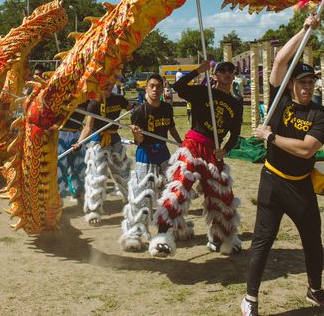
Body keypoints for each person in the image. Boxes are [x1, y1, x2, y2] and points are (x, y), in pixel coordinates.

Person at [242, 14, 324, 316]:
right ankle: (250, 299)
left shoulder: (321, 114)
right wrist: (304, 29)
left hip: (300, 186)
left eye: (311, 82)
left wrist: (270, 137)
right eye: (302, 82)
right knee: (262, 241)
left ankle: (315, 291)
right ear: (291, 86)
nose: (307, 87)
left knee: (312, 240)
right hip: (272, 182)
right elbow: (279, 61)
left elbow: (307, 149)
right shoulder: (280, 100)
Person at [150, 61, 243, 258]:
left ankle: (221, 238)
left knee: (223, 196)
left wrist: (225, 150)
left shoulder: (236, 103)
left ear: (234, 75)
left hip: (213, 151)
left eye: (230, 70)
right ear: (215, 76)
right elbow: (179, 86)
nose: (227, 73)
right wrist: (197, 71)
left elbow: (235, 134)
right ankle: (162, 237)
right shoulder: (203, 92)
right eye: (222, 70)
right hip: (193, 144)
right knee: (180, 187)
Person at [120, 74, 181, 252]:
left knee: (171, 193)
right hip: (145, 155)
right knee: (142, 198)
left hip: (163, 153)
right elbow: (139, 140)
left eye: (158, 86)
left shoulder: (167, 108)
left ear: (162, 89)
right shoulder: (139, 112)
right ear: (146, 88)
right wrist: (137, 134)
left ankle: (166, 229)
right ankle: (135, 233)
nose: (155, 89)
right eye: (151, 86)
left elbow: (171, 127)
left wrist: (180, 142)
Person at [78, 77, 132, 225]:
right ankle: (94, 209)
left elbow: (132, 110)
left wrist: (136, 110)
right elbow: (88, 127)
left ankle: (131, 201)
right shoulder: (94, 103)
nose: (109, 87)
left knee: (123, 172)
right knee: (97, 176)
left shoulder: (119, 99)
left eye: (111, 84)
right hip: (98, 142)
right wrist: (79, 142)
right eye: (106, 84)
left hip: (115, 140)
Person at [56, 102, 89, 204]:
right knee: (60, 166)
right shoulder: (62, 97)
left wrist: (80, 141)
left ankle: (77, 192)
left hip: (78, 135)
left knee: (79, 165)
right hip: (61, 134)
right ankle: (58, 198)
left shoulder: (88, 100)